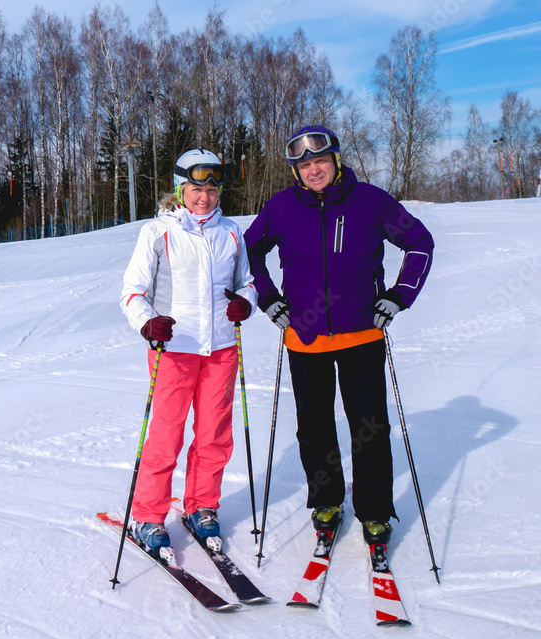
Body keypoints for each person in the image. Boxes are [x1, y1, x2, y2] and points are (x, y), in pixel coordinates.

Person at [243, 125, 434, 545]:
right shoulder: (280, 207)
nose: (314, 170)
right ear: (295, 171)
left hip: (362, 335)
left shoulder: (369, 200)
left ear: (337, 159)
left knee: (369, 427)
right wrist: (269, 299)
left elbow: (419, 240)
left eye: (320, 161)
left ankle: (374, 511)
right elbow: (248, 254)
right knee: (314, 427)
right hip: (305, 337)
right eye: (304, 165)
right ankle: (326, 500)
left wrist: (399, 296)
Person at [120, 148, 257, 554]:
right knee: (165, 435)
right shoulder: (158, 232)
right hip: (174, 349)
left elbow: (246, 281)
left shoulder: (231, 231)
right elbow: (132, 291)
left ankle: (201, 507)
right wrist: (148, 321)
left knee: (215, 434)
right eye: (196, 189)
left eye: (212, 190)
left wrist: (245, 302)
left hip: (221, 348)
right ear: (181, 190)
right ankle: (147, 515)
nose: (204, 197)